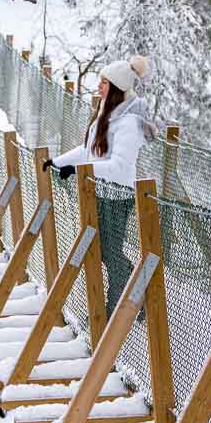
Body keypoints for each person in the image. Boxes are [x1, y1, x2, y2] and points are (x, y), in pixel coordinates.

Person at [46, 54, 159, 317]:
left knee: (110, 253)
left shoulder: (129, 123)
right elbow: (89, 152)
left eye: (104, 82)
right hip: (100, 193)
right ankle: (130, 303)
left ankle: (123, 307)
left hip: (118, 196)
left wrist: (80, 170)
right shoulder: (108, 114)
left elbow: (119, 167)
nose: (99, 87)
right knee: (102, 251)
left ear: (117, 87)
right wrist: (57, 162)